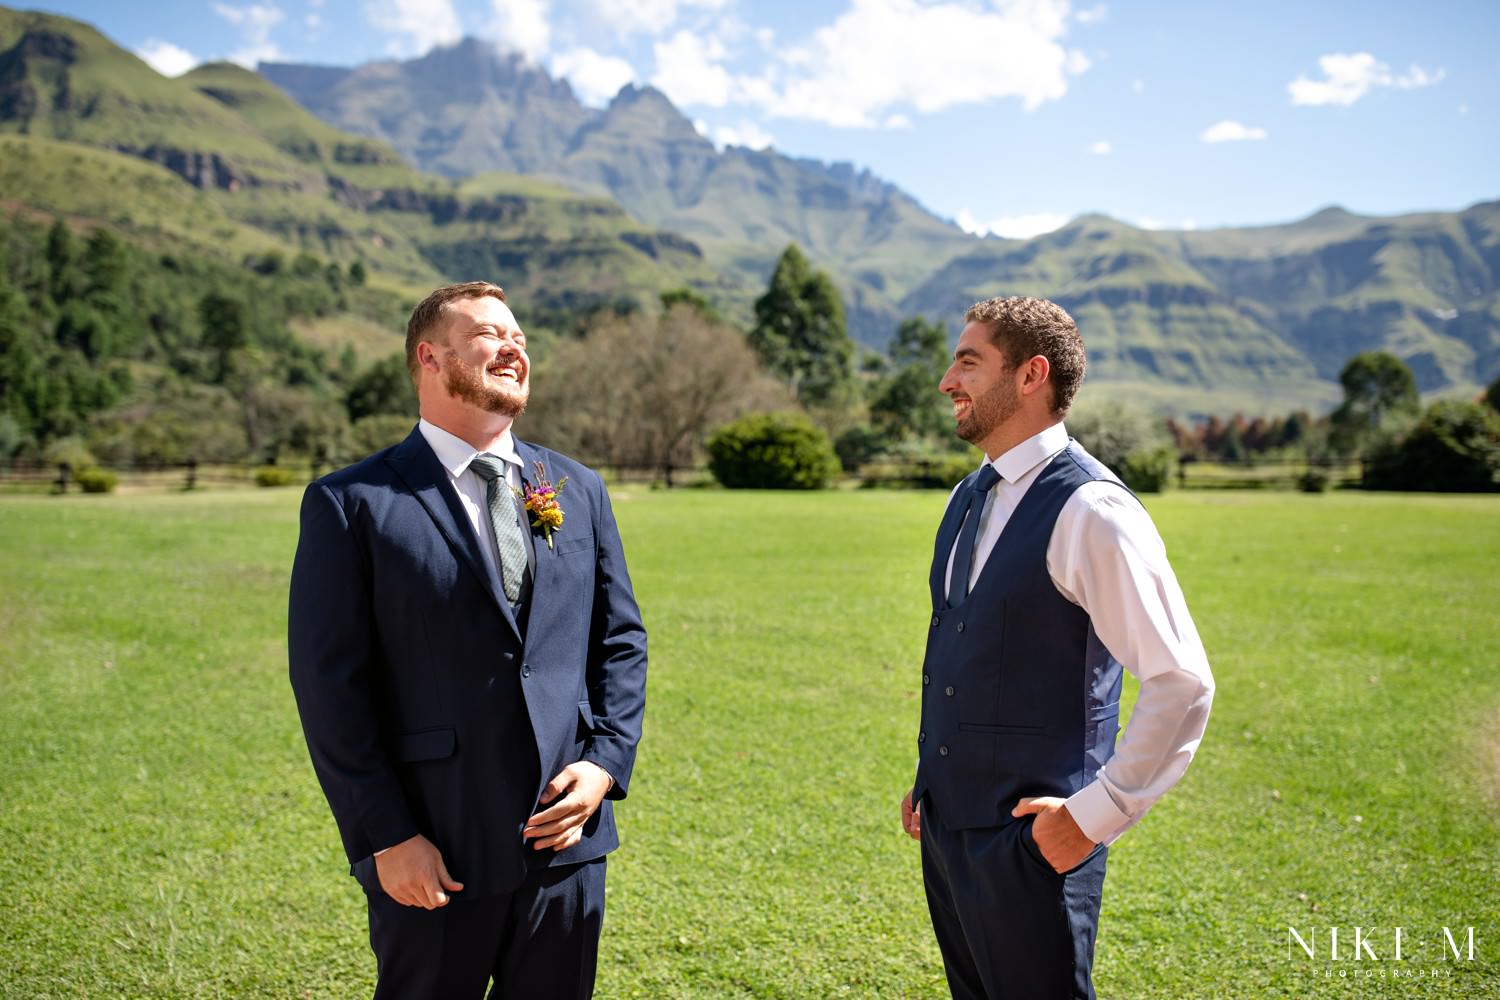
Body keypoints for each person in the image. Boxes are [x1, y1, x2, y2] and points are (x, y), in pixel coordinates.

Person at [288, 281, 647, 999]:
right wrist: (387, 836)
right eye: (490, 332)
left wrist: (604, 765)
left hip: (566, 850)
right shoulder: (352, 504)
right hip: (431, 848)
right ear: (430, 356)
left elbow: (620, 642)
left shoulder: (577, 488)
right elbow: (331, 687)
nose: (514, 346)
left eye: (519, 335)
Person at [899, 296, 1214, 999]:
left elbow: (1181, 680)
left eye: (970, 362)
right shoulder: (966, 497)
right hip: (949, 835)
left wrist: (1093, 819)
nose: (949, 380)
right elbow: (969, 648)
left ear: (1031, 375)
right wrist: (934, 777)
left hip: (1035, 845)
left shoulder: (1091, 509)